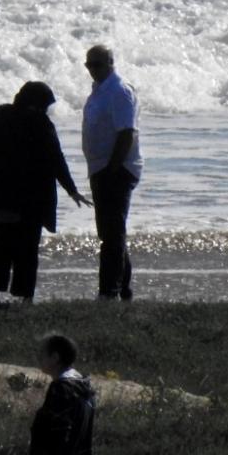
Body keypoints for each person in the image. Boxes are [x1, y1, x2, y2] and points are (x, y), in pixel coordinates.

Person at [0, 81, 90, 307]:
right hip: (29, 198)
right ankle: (26, 297)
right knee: (27, 248)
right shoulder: (41, 123)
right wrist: (72, 190)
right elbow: (56, 159)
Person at [81, 45, 142, 301]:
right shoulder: (99, 92)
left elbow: (127, 132)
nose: (92, 70)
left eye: (97, 64)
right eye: (89, 65)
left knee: (112, 233)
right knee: (110, 232)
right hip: (100, 168)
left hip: (116, 170)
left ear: (110, 63)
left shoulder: (118, 91)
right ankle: (123, 289)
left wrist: (112, 169)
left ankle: (109, 291)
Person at [30, 334, 95, 455]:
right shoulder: (84, 385)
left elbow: (59, 432)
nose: (38, 358)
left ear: (55, 358)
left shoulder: (61, 388)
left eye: (42, 354)